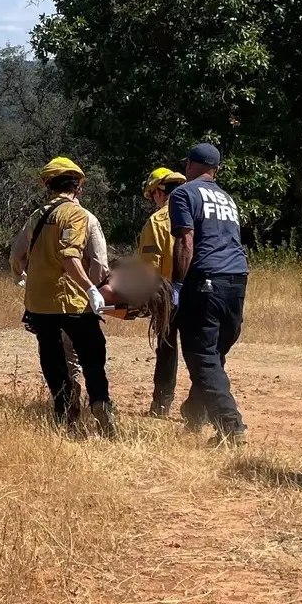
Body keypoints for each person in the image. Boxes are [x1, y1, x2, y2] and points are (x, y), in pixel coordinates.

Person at [10, 157, 116, 437]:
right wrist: (92, 288)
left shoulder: (35, 216)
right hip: (73, 301)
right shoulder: (79, 215)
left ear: (47, 185)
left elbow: (16, 258)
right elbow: (88, 261)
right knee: (93, 356)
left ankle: (64, 416)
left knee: (53, 360)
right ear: (78, 187)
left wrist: (26, 279)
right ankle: (100, 403)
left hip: (38, 305)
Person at [168, 143, 248, 445]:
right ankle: (194, 414)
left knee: (201, 355)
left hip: (205, 279)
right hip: (237, 280)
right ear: (215, 169)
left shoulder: (183, 193)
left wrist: (177, 284)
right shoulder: (227, 198)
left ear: (190, 165)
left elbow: (186, 242)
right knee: (214, 354)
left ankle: (231, 425)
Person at [137, 167, 185, 417]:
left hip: (168, 296)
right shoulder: (199, 214)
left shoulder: (157, 222)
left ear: (158, 192)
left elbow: (149, 266)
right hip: (203, 294)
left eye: (152, 194)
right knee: (202, 352)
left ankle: (161, 406)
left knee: (167, 349)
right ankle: (202, 407)